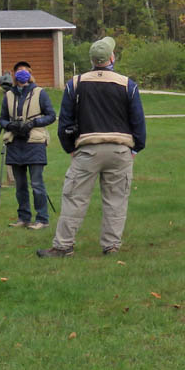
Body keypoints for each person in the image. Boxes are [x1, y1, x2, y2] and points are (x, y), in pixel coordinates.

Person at [37, 37, 146, 258]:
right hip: (120, 150)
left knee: (75, 197)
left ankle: (64, 245)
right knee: (116, 199)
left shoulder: (75, 83)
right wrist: (136, 148)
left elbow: (64, 122)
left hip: (87, 149)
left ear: (92, 60)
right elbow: (138, 122)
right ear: (112, 57)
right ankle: (111, 245)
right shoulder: (127, 84)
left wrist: (70, 148)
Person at [0, 61, 57, 230]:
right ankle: (23, 217)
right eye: (18, 70)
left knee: (37, 183)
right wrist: (10, 126)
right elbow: (1, 118)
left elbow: (51, 115)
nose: (22, 73)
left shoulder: (40, 93)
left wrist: (34, 123)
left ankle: (42, 219)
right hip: (16, 142)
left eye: (25, 70)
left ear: (30, 74)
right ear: (14, 74)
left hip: (35, 142)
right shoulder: (9, 95)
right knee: (20, 185)